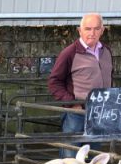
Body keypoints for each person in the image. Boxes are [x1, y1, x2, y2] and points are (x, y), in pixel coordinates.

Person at [48, 13, 113, 148]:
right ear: (80, 30)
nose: (92, 33)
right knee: (71, 154)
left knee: (93, 156)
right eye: (88, 29)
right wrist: (72, 103)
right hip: (77, 113)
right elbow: (54, 82)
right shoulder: (70, 53)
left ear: (102, 30)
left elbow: (109, 77)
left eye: (96, 29)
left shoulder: (106, 51)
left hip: (98, 112)